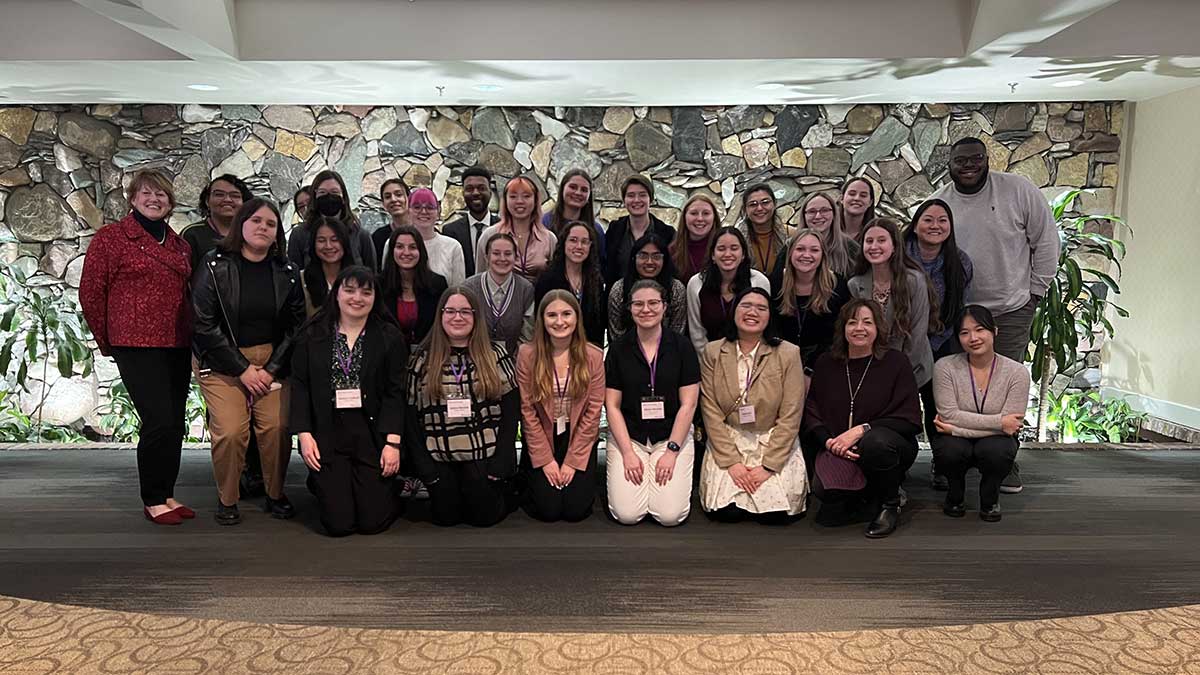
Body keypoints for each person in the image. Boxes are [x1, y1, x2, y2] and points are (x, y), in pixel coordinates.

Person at [932, 136, 1061, 493]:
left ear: (988, 159)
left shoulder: (1018, 190)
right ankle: (950, 462)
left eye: (976, 158)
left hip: (1010, 309)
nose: (969, 165)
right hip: (958, 314)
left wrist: (1035, 293)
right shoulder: (942, 202)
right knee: (954, 391)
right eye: (961, 160)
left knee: (1006, 391)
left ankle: (1003, 462)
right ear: (950, 163)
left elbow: (1047, 241)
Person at [79, 170, 195, 526]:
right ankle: (152, 498)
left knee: (175, 421)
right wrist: (108, 340)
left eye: (161, 194)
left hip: (177, 341)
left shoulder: (179, 245)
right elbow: (91, 292)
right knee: (158, 418)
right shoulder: (111, 238)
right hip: (135, 343)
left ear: (170, 202)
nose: (154, 199)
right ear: (133, 198)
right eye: (147, 193)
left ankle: (168, 492)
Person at [192, 198, 306, 525]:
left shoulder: (288, 272)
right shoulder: (214, 265)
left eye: (270, 224)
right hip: (224, 362)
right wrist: (243, 369)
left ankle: (275, 494)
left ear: (276, 233)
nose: (262, 228)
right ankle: (228, 499)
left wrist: (269, 369)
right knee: (230, 432)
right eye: (256, 220)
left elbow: (296, 327)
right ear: (241, 223)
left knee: (278, 427)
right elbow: (203, 324)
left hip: (272, 361)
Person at [290, 266, 406, 536]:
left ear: (375, 297)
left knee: (371, 523)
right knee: (338, 525)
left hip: (371, 433)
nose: (358, 298)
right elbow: (300, 385)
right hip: (328, 432)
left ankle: (388, 489)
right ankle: (323, 483)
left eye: (366, 292)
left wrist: (393, 443)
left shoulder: (389, 337)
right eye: (350, 290)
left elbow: (395, 392)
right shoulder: (313, 334)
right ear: (337, 294)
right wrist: (304, 434)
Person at [802, 299, 922, 538]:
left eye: (867, 322)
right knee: (825, 500)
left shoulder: (896, 362)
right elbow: (812, 411)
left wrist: (861, 430)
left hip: (888, 446)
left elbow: (909, 420)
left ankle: (890, 503)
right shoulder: (827, 363)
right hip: (839, 447)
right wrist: (830, 443)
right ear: (842, 328)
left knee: (875, 443)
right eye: (852, 322)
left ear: (878, 328)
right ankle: (869, 497)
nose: (859, 328)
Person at [404, 288, 520, 527]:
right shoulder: (422, 359)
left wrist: (500, 463)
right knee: (446, 517)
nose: (458, 317)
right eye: (451, 311)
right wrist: (426, 469)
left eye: (465, 311)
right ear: (440, 315)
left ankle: (507, 490)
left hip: (483, 454)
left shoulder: (495, 354)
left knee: (483, 517)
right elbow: (410, 416)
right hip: (439, 454)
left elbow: (511, 412)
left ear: (476, 316)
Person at [697, 287, 807, 523]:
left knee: (776, 514)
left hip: (773, 439)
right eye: (746, 305)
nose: (752, 312)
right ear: (734, 311)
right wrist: (732, 463)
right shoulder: (713, 351)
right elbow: (710, 411)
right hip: (729, 437)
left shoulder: (788, 353)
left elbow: (791, 414)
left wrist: (769, 466)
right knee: (725, 511)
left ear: (770, 317)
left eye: (761, 308)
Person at [605, 280, 700, 526]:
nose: (646, 309)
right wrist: (627, 453)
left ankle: (657, 476)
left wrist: (671, 451)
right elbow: (612, 405)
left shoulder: (682, 347)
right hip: (630, 436)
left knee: (670, 516)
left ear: (665, 306)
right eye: (638, 304)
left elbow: (688, 405)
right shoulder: (618, 349)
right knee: (627, 515)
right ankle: (641, 473)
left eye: (653, 303)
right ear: (629, 308)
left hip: (671, 436)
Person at [932, 305, 1030, 522]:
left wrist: (956, 429)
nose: (973, 338)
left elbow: (1012, 423)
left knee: (998, 449)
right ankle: (955, 495)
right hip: (972, 437)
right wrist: (998, 423)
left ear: (994, 331)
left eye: (980, 330)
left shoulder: (1017, 373)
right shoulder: (945, 367)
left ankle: (990, 498)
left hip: (995, 440)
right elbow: (948, 414)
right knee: (950, 448)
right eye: (964, 332)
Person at [903, 199, 974, 489]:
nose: (935, 226)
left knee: (938, 405)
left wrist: (934, 343)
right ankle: (898, 464)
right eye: (928, 220)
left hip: (942, 342)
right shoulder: (898, 255)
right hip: (900, 343)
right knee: (899, 405)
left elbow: (958, 308)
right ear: (916, 224)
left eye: (942, 220)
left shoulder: (960, 262)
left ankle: (942, 463)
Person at [517, 291, 606, 522]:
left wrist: (571, 463)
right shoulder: (527, 355)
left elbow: (593, 412)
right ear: (542, 320)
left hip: (577, 435)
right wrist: (546, 461)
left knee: (575, 510)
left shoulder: (593, 356)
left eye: (566, 314)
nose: (559, 321)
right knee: (548, 510)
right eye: (552, 315)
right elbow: (528, 412)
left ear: (577, 318)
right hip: (543, 436)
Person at [848, 218, 937, 389]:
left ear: (895, 246)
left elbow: (918, 333)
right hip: (872, 372)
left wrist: (897, 372)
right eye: (869, 241)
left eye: (881, 240)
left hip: (914, 371)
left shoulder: (914, 280)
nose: (874, 246)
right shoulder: (854, 285)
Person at [769, 228, 852, 375]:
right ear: (790, 253)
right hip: (780, 360)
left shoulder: (838, 286)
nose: (806, 255)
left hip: (824, 362)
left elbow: (836, 334)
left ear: (823, 255)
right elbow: (772, 327)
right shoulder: (776, 282)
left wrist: (811, 369)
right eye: (800, 249)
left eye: (814, 250)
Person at [686, 226, 770, 354]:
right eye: (721, 249)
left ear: (743, 254)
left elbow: (763, 327)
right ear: (713, 255)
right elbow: (697, 333)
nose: (727, 254)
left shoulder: (759, 281)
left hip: (751, 357)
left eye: (734, 248)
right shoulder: (696, 283)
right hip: (710, 359)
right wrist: (711, 361)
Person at [534, 220, 606, 348]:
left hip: (587, 351)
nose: (579, 246)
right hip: (553, 348)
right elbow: (539, 320)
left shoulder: (595, 280)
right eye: (573, 240)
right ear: (563, 243)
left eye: (584, 242)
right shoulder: (547, 279)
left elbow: (599, 325)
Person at [288, 170, 376, 270]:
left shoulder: (360, 235)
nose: (328, 197)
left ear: (343, 197)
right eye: (322, 192)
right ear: (314, 197)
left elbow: (372, 276)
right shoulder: (299, 234)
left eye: (334, 192)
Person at [463, 232, 535, 354]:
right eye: (496, 253)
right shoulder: (469, 288)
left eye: (508, 254)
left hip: (513, 362)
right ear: (486, 257)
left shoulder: (525, 289)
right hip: (474, 359)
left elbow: (527, 335)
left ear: (516, 257)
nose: (502, 258)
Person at [608, 233, 687, 341]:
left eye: (656, 256)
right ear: (633, 258)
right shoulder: (619, 289)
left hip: (668, 351)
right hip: (625, 352)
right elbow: (616, 333)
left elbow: (677, 329)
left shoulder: (676, 289)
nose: (649, 262)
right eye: (643, 256)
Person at [476, 176, 556, 282]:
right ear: (505, 200)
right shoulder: (489, 235)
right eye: (513, 196)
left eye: (526, 196)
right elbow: (479, 278)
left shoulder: (549, 239)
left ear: (536, 200)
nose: (519, 201)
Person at [380, 225, 449, 345]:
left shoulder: (438, 284)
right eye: (400, 247)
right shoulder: (379, 285)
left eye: (412, 247)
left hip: (428, 354)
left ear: (420, 251)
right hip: (388, 355)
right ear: (392, 251)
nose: (406, 252)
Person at [604, 175, 675, 287]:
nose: (636, 200)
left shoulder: (667, 233)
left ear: (650, 199)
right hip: (619, 299)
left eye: (642, 195)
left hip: (657, 299)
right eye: (631, 195)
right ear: (624, 200)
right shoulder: (614, 230)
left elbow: (671, 271)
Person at [543, 169, 607, 276]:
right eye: (573, 187)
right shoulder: (545, 223)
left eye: (584, 190)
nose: (578, 193)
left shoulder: (596, 230)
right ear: (562, 189)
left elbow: (601, 266)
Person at [182, 174, 252, 270]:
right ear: (207, 201)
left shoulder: (251, 234)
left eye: (235, 196)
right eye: (219, 194)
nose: (227, 200)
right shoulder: (192, 235)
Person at [442, 167, 498, 277]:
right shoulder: (450, 231)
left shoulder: (502, 228)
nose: (476, 193)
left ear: (490, 193)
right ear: (463, 194)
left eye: (481, 188)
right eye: (469, 189)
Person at [406, 188, 465, 286]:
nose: (423, 212)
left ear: (438, 212)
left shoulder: (453, 247)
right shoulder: (395, 244)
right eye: (417, 207)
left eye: (430, 207)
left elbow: (458, 289)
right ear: (408, 211)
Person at [301, 216, 354, 316]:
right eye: (321, 240)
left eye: (334, 240)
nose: (328, 246)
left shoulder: (359, 278)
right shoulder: (302, 279)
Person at [798, 191, 859, 277]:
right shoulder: (790, 246)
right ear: (804, 215)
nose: (818, 216)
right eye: (812, 211)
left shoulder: (851, 248)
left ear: (834, 214)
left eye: (825, 210)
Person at [738, 183, 794, 273]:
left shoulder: (791, 235)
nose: (759, 208)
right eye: (753, 204)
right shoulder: (737, 238)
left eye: (765, 202)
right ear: (745, 209)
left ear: (775, 204)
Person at [669, 193, 720, 283]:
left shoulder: (725, 248)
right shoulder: (673, 251)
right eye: (694, 213)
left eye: (706, 213)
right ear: (684, 217)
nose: (700, 218)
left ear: (714, 218)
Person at [371, 178, 410, 264]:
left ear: (408, 198)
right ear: (383, 204)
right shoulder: (378, 237)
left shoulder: (423, 232)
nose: (393, 199)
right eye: (388, 197)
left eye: (398, 195)